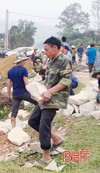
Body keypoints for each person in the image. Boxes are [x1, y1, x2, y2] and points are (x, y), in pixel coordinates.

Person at [28, 36, 71, 165]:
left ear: (55, 48)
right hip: (45, 97)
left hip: (55, 98)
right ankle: (57, 138)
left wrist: (50, 91)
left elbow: (66, 80)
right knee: (33, 120)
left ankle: (46, 156)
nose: (45, 52)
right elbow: (47, 80)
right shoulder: (51, 61)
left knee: (44, 124)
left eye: (47, 50)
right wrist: (36, 91)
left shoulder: (64, 60)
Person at [7, 53, 37, 127]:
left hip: (15, 94)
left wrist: (8, 95)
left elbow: (8, 85)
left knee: (14, 111)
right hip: (24, 92)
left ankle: (13, 127)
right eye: (24, 60)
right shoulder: (23, 70)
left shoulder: (10, 71)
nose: (25, 62)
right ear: (21, 61)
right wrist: (32, 94)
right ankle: (37, 118)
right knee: (37, 103)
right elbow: (26, 83)